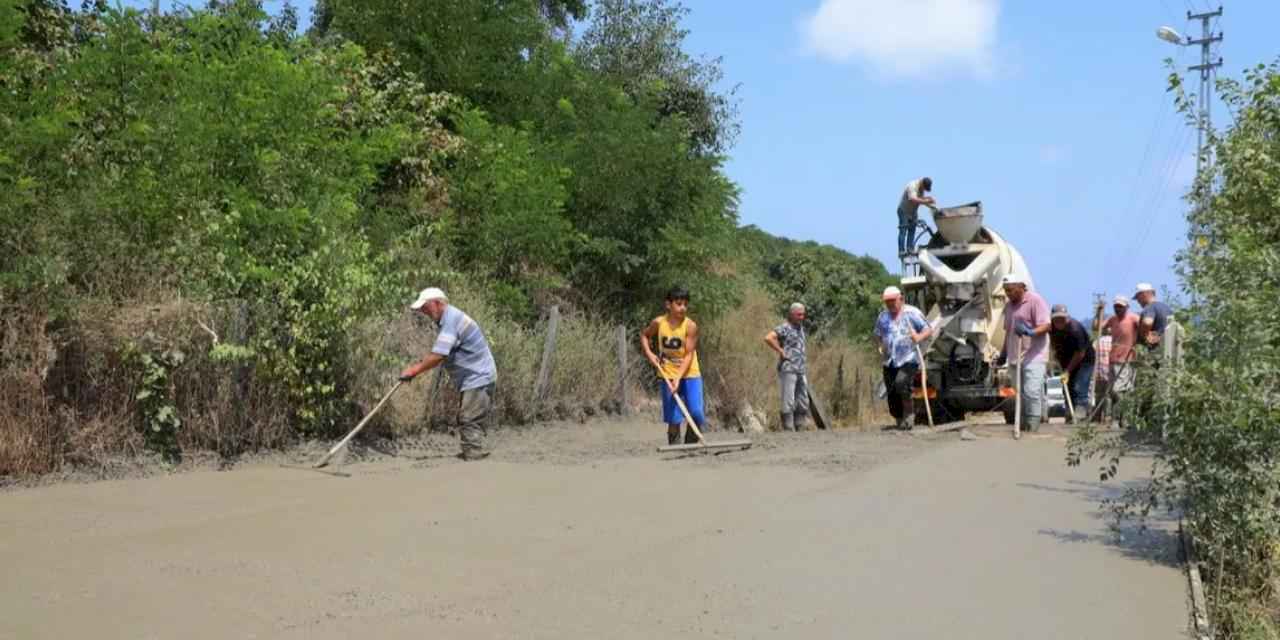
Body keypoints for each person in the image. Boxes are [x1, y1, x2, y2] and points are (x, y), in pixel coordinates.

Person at [399, 287, 498, 461]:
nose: (424, 312)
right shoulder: (449, 319)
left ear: (437, 303)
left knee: (468, 417)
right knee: (470, 417)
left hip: (478, 375)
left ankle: (475, 458)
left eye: (425, 307)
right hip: (474, 376)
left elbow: (439, 355)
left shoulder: (451, 320)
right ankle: (474, 454)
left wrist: (414, 370)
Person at [640, 287, 706, 446]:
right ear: (668, 305)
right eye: (679, 304)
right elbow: (644, 335)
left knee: (697, 413)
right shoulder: (658, 323)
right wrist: (650, 355)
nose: (683, 308)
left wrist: (678, 378)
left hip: (690, 372)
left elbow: (689, 355)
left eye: (685, 304)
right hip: (667, 373)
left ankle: (690, 445)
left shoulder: (690, 326)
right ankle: (675, 448)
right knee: (674, 418)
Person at [873, 286, 932, 430]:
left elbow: (928, 329)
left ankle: (909, 415)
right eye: (887, 301)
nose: (890, 304)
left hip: (908, 358)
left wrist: (918, 337)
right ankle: (899, 418)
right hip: (890, 360)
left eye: (893, 301)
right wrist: (880, 346)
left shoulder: (912, 313)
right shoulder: (883, 316)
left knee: (901, 383)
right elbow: (877, 334)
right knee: (891, 391)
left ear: (901, 299)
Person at [997, 274, 1051, 432]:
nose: (1008, 293)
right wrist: (1003, 354)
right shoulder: (1008, 307)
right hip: (1015, 357)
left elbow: (1047, 325)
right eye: (1006, 291)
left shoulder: (1035, 300)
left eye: (1011, 290)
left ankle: (1033, 426)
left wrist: (1030, 332)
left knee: (1031, 391)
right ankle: (1023, 425)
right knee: (1019, 394)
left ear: (1021, 287)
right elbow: (1008, 333)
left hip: (1034, 355)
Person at [764, 303, 809, 432]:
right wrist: (781, 351)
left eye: (803, 314)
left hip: (801, 369)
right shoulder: (785, 327)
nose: (802, 317)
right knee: (788, 399)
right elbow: (768, 338)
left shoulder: (800, 328)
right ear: (792, 314)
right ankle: (788, 427)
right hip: (789, 368)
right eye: (799, 314)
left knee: (802, 399)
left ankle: (800, 425)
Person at [1048, 304, 1096, 422]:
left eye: (1062, 318)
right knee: (1067, 386)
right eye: (1056, 319)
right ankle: (1070, 412)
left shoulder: (1075, 329)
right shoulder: (1051, 328)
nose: (1059, 321)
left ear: (1067, 317)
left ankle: (1080, 412)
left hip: (1085, 360)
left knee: (1079, 386)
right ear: (1052, 318)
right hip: (1066, 360)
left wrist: (1068, 371)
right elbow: (1053, 344)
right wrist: (1057, 361)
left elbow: (1080, 353)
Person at [1100, 295, 1141, 428]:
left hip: (1127, 360)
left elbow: (1145, 328)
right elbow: (1098, 328)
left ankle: (1119, 418)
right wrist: (1098, 312)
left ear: (1127, 307)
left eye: (1121, 307)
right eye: (1116, 306)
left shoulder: (1133, 318)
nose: (1118, 309)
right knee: (1114, 390)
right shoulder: (1112, 319)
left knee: (1120, 390)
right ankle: (1122, 418)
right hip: (1113, 359)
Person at [896, 176, 936, 256]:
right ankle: (901, 251)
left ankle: (910, 249)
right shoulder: (912, 185)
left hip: (913, 212)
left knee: (912, 231)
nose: (924, 190)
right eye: (925, 188)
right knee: (903, 231)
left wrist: (933, 206)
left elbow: (921, 199)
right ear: (922, 184)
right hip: (904, 211)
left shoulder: (921, 189)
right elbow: (913, 199)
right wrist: (926, 201)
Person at [1133, 282, 1173, 350]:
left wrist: (1144, 335)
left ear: (1144, 294)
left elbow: (1147, 322)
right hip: (1168, 348)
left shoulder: (1150, 307)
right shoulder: (1167, 308)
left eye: (1137, 297)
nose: (1137, 301)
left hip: (1154, 351)